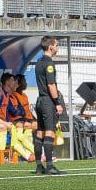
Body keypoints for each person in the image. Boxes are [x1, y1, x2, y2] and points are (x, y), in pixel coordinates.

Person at [32, 36, 65, 175]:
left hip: (39, 100)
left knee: (40, 133)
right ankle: (50, 166)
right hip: (47, 101)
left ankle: (39, 165)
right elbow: (51, 85)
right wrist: (57, 102)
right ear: (51, 47)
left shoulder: (38, 62)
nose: (57, 48)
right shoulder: (49, 63)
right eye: (56, 45)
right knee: (50, 132)